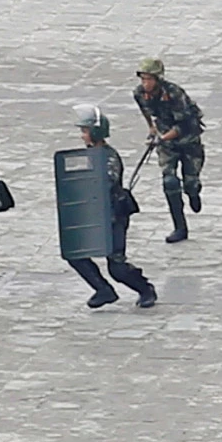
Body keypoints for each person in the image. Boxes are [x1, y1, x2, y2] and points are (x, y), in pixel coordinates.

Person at [67, 106, 157, 309]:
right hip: (92, 215)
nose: (83, 136)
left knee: (117, 266)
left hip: (113, 216)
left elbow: (103, 184)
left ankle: (145, 289)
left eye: (85, 131)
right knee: (75, 254)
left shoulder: (108, 157)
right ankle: (103, 290)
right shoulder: (89, 155)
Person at [132, 58, 206, 244]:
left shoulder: (175, 94)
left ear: (158, 79)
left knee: (190, 182)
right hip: (166, 143)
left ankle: (193, 191)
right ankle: (180, 227)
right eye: (143, 79)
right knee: (170, 182)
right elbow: (146, 111)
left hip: (188, 141)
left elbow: (185, 125)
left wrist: (162, 138)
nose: (145, 83)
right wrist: (152, 129)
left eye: (149, 79)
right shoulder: (140, 93)